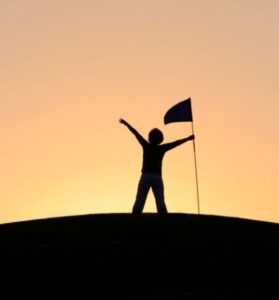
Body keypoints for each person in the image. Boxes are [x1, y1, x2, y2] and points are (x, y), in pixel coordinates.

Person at [119, 118, 195, 214]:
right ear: (160, 139)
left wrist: (126, 124)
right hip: (157, 177)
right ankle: (163, 221)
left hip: (146, 176)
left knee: (140, 200)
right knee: (160, 201)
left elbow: (136, 133)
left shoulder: (146, 146)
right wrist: (188, 138)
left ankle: (135, 220)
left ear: (150, 138)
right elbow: (175, 143)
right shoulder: (161, 148)